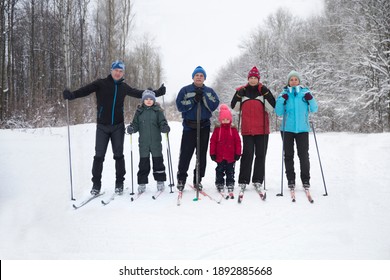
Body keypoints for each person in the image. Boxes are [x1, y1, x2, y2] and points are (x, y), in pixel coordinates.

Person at [63, 60, 166, 195]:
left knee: (118, 156)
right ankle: (96, 185)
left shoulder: (124, 87)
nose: (118, 73)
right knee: (99, 156)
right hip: (102, 126)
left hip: (118, 126)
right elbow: (86, 90)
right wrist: (72, 95)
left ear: (123, 72)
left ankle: (119, 183)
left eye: (120, 71)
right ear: (111, 71)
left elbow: (139, 93)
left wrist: (157, 93)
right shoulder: (101, 83)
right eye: (116, 70)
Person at [230, 66, 276, 192]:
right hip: (247, 130)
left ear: (258, 79)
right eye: (251, 78)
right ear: (248, 79)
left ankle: (257, 180)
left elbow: (272, 107)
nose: (253, 80)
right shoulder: (243, 91)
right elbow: (234, 107)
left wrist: (266, 93)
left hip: (262, 130)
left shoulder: (263, 91)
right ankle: (243, 180)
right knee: (247, 154)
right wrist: (238, 95)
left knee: (260, 155)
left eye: (255, 78)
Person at [175, 66, 220, 191]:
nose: (199, 77)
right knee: (185, 154)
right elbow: (180, 105)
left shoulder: (210, 91)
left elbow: (214, 105)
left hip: (204, 126)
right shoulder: (185, 90)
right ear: (193, 77)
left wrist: (204, 98)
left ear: (204, 78)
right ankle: (181, 179)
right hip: (189, 127)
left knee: (201, 155)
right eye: (197, 75)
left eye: (201, 75)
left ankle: (198, 179)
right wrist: (193, 100)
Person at [275, 70, 318, 189]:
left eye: (295, 79)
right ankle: (291, 180)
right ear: (288, 82)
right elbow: (278, 112)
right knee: (288, 155)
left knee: (303, 155)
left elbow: (314, 109)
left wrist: (310, 99)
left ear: (299, 81)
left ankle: (305, 180)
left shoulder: (305, 93)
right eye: (291, 80)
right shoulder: (283, 94)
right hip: (287, 130)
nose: (293, 81)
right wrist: (281, 100)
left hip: (302, 130)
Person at [126, 90, 170, 194]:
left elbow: (162, 122)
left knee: (158, 162)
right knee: (143, 164)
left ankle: (160, 181)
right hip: (143, 144)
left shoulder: (158, 111)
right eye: (146, 99)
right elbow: (135, 124)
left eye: (151, 99)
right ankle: (142, 183)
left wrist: (164, 127)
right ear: (143, 100)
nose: (149, 101)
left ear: (154, 100)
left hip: (155, 142)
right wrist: (131, 128)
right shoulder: (139, 111)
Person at [209, 104, 242, 195]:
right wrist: (212, 153)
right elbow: (213, 142)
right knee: (219, 170)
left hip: (231, 156)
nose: (225, 121)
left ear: (230, 119)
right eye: (223, 119)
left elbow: (238, 142)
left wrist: (238, 153)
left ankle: (230, 182)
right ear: (220, 120)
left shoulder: (233, 130)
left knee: (230, 170)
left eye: (227, 119)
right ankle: (219, 183)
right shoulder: (217, 130)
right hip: (220, 156)